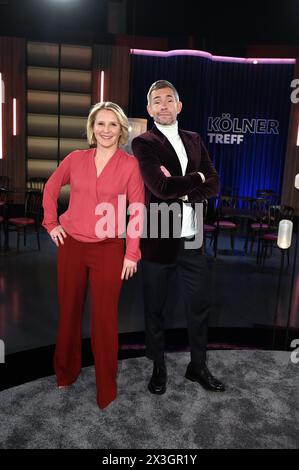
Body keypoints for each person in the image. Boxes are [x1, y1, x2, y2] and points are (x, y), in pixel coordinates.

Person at [42, 101, 144, 409]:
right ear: (92, 128)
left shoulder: (130, 165)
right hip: (72, 245)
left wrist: (132, 253)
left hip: (109, 249)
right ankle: (65, 372)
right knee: (69, 312)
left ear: (121, 130)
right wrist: (51, 223)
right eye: (100, 123)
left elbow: (137, 211)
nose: (106, 130)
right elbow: (50, 187)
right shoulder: (75, 158)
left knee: (104, 320)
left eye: (113, 124)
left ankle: (106, 388)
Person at [132, 80, 225, 395]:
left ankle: (197, 366)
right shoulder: (143, 143)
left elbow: (214, 183)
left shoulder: (195, 139)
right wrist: (196, 179)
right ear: (149, 109)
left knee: (199, 304)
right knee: (155, 307)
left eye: (168, 99)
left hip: (192, 235)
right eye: (156, 101)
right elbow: (159, 188)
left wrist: (187, 183)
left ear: (179, 105)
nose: (163, 105)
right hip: (159, 232)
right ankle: (158, 366)